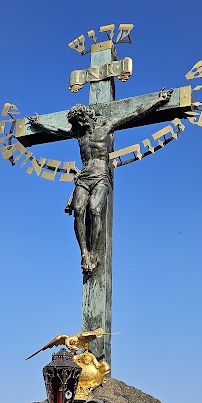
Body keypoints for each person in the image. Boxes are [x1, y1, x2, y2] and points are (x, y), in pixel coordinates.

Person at [29, 89, 172, 274]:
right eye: (76, 123)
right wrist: (40, 123)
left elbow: (135, 114)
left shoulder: (106, 127)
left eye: (80, 121)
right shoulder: (80, 135)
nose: (79, 124)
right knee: (78, 210)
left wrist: (157, 101)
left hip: (101, 176)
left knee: (95, 209)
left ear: (88, 117)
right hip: (84, 177)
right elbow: (56, 130)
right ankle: (84, 253)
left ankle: (95, 252)